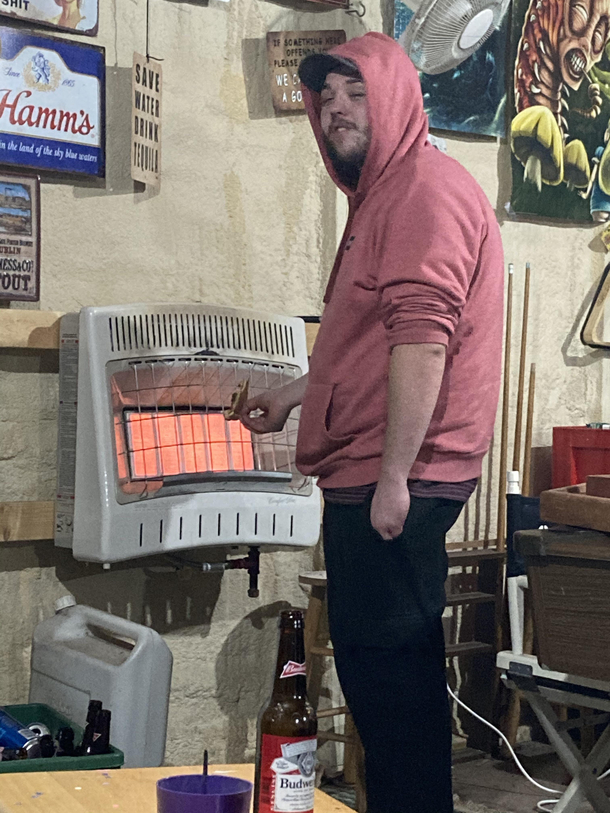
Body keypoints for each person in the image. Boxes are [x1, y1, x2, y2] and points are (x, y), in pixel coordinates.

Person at [240, 32, 504, 813]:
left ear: (392, 100)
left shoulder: (423, 190)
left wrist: (393, 478)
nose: (335, 110)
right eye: (326, 99)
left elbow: (423, 342)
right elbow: (372, 342)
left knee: (393, 695)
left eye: (356, 93)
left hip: (399, 477)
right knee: (389, 685)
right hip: (377, 468)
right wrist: (298, 392)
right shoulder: (383, 197)